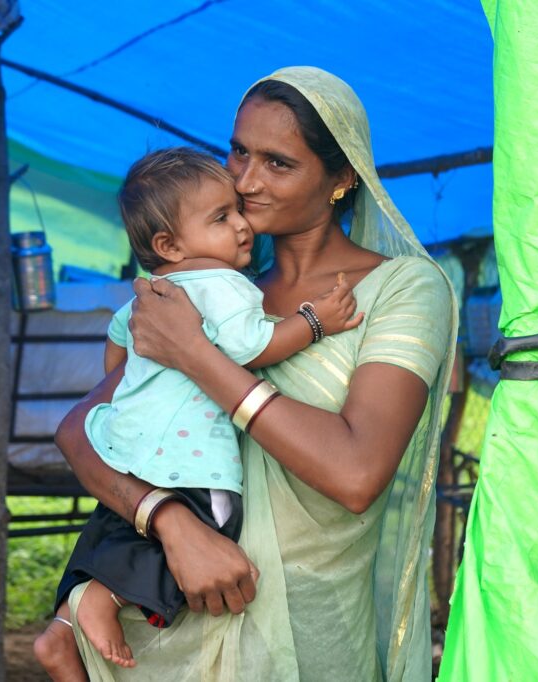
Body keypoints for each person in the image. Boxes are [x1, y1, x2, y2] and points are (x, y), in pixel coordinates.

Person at [34, 66, 458, 681]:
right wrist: (172, 523)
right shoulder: (208, 294)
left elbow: (357, 472)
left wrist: (199, 358)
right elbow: (81, 429)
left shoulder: (401, 288)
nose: (247, 180)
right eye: (238, 151)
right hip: (173, 631)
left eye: (278, 163)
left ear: (342, 179)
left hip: (313, 634)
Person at [37, 146, 362, 671]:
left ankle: (65, 626)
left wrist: (135, 392)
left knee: (116, 525)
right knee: (215, 524)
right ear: (167, 243)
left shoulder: (150, 293)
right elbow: (253, 348)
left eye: (236, 211)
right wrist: (315, 321)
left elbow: (118, 345)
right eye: (221, 217)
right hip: (194, 460)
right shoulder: (224, 286)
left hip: (128, 449)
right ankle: (105, 599)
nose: (242, 227)